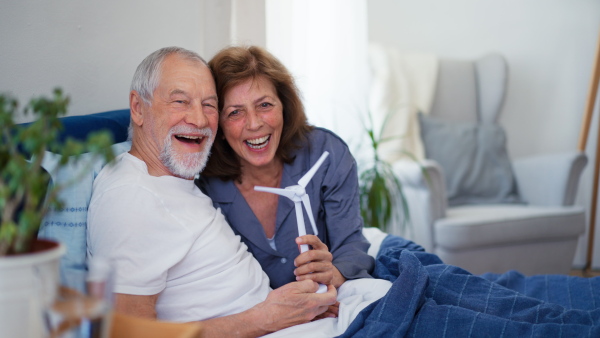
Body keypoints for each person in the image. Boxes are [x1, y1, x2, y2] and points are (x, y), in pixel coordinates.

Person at [86, 46, 372, 336]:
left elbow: (350, 242)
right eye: (180, 101)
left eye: (208, 105)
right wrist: (268, 317)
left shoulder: (179, 182)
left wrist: (304, 305)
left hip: (310, 316)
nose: (198, 120)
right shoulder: (131, 198)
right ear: (137, 108)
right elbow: (126, 333)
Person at [198, 46, 376, 290]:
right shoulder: (203, 186)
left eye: (264, 105)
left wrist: (332, 274)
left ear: (284, 105)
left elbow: (350, 244)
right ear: (218, 123)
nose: (254, 124)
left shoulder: (327, 154)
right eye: (235, 112)